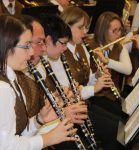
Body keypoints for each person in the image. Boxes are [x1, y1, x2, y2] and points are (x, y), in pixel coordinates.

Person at [38, 10, 125, 150]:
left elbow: (75, 87)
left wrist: (95, 78)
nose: (84, 32)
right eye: (80, 27)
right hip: (64, 115)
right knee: (114, 130)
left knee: (118, 127)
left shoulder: (73, 49)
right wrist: (93, 89)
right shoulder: (52, 57)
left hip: (76, 107)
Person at [0, 15, 77, 149]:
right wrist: (47, 139)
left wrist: (39, 120)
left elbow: (18, 135)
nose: (31, 52)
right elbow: (7, 146)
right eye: (26, 46)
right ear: (7, 46)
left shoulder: (11, 77)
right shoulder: (3, 88)